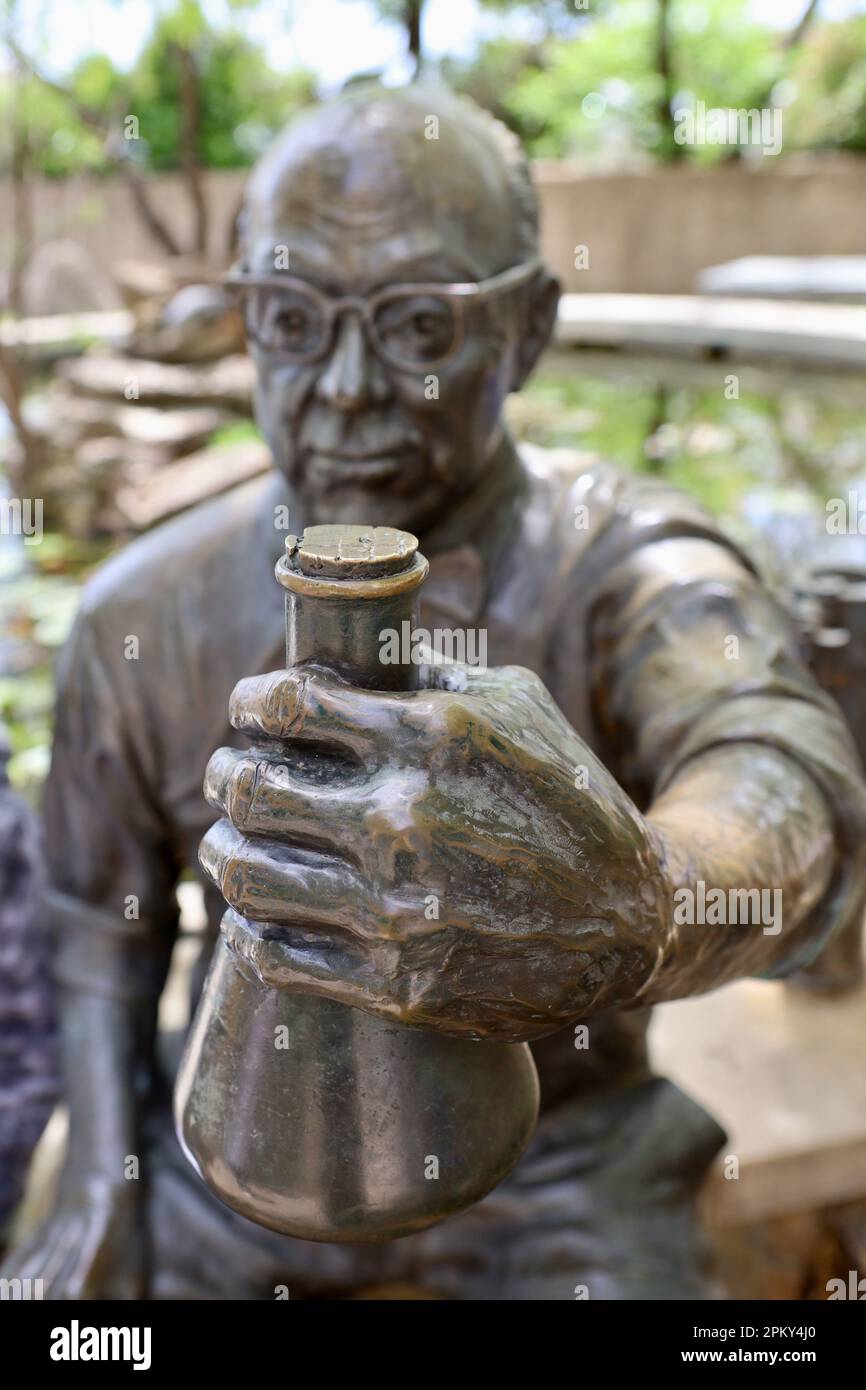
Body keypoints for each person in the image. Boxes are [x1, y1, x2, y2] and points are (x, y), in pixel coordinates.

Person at [4, 85, 866, 1300]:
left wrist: (653, 897)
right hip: (240, 1149)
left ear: (525, 328)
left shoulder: (620, 564)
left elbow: (781, 771)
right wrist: (99, 1176)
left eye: (416, 326)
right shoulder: (141, 614)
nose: (348, 384)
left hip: (559, 1156)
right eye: (293, 318)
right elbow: (97, 928)